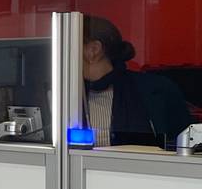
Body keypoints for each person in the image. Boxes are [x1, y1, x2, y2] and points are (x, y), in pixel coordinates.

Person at [82, 15, 192, 149]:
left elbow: (184, 146)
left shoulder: (156, 89)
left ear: (93, 50)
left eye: (67, 45)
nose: (61, 54)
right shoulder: (63, 93)